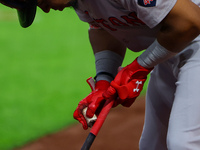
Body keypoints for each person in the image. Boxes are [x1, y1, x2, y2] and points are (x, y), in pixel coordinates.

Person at [2, 0, 200, 149]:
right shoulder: (79, 1)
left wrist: (138, 67)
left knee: (183, 143)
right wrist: (103, 81)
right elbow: (103, 27)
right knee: (153, 145)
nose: (45, 9)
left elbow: (190, 22)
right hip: (171, 50)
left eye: (41, 1)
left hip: (194, 42)